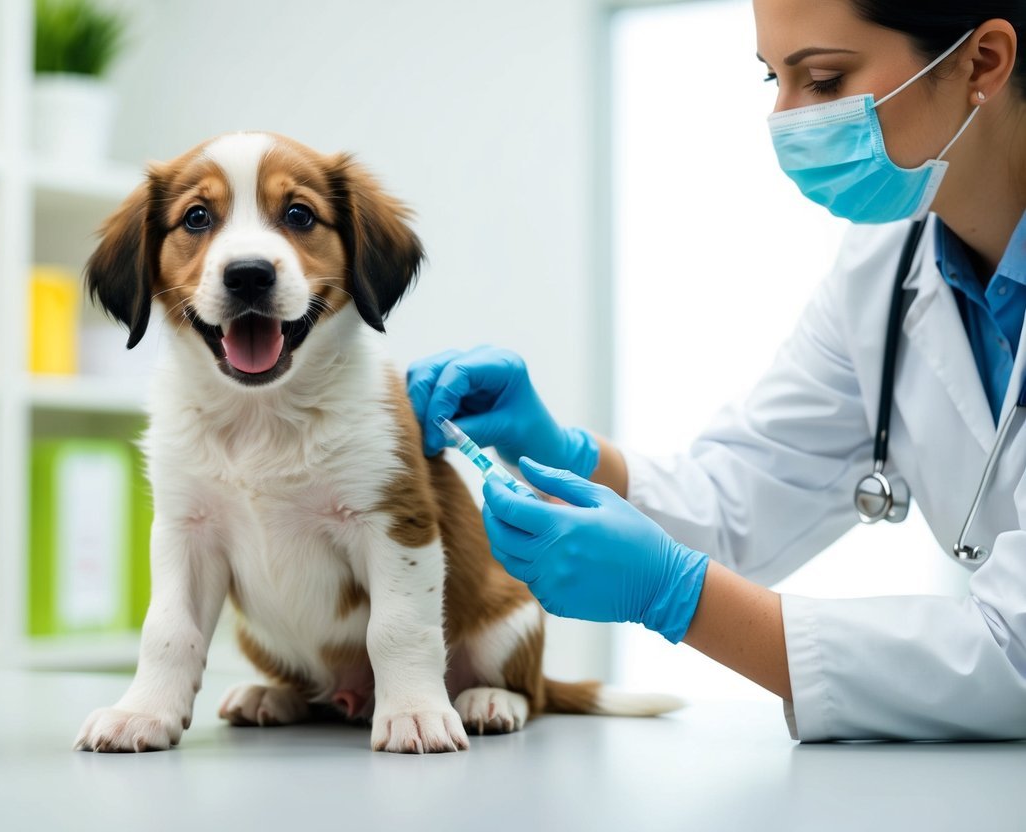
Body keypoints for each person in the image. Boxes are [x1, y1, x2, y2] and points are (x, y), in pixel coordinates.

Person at [408, 0, 1026, 741]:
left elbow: (1009, 653)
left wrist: (676, 596)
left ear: (982, 62)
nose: (784, 118)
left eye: (823, 80)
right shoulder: (885, 272)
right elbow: (745, 496)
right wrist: (564, 454)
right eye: (772, 77)